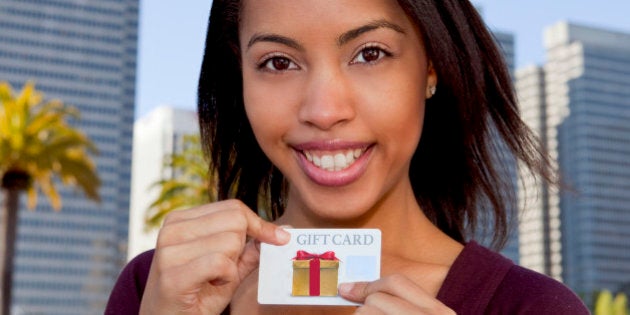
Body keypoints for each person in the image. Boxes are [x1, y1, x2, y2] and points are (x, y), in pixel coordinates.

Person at [107, 0, 590, 314]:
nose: (324, 110)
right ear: (240, 78)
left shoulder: (533, 307)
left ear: (432, 66)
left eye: (371, 53)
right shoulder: (158, 289)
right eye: (278, 62)